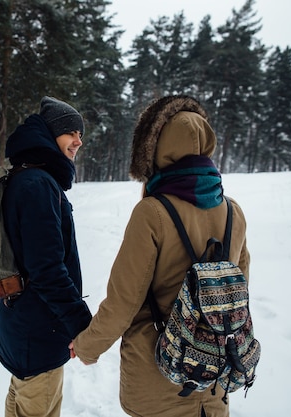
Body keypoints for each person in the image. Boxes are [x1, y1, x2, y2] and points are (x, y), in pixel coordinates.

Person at [69, 95, 251, 417]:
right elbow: (236, 293)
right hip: (213, 376)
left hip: (160, 376)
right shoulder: (233, 212)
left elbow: (123, 301)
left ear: (157, 148)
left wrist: (87, 346)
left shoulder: (152, 213)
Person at [0, 96, 93, 417]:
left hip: (22, 324)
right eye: (70, 132)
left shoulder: (25, 177)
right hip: (39, 331)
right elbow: (47, 269)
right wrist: (81, 325)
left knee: (21, 399)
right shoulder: (38, 184)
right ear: (50, 133)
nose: (78, 140)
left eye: (80, 133)